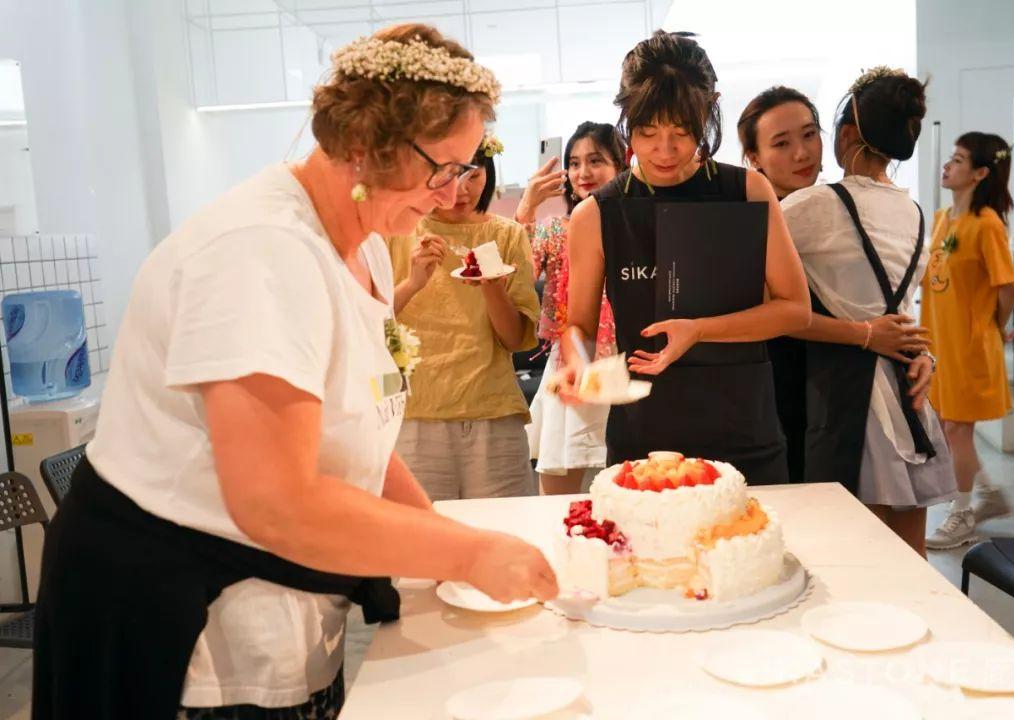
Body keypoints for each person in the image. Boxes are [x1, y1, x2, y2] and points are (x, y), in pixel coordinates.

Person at [32, 24, 557, 720]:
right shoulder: (261, 253)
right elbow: (274, 502)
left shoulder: (367, 244)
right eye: (442, 170)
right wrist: (466, 553)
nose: (449, 193)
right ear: (367, 146)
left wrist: (435, 541)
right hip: (178, 621)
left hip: (278, 596)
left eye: (464, 170)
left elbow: (358, 432)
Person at [559, 30, 811, 485]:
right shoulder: (596, 214)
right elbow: (578, 325)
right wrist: (577, 360)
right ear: (626, 121)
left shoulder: (747, 191)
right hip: (644, 435)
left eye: (682, 132)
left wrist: (700, 330)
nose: (665, 150)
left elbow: (796, 310)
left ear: (709, 112)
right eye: (647, 132)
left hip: (743, 429)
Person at [781, 66, 956, 557]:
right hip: (910, 390)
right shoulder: (914, 212)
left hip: (852, 400)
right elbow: (902, 313)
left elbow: (750, 265)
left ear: (846, 136)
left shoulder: (818, 204)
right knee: (911, 556)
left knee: (857, 557)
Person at [390, 134, 541, 501]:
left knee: (505, 530)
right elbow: (366, 321)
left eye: (473, 175)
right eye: (449, 176)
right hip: (415, 416)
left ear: (488, 172)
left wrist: (492, 287)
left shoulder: (507, 235)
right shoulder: (398, 233)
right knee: (422, 533)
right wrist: (412, 283)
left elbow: (515, 340)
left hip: (494, 415)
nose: (461, 190)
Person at [923, 132, 1014, 550]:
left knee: (957, 429)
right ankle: (988, 494)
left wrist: (994, 326)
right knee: (948, 428)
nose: (948, 166)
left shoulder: (987, 224)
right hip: (942, 343)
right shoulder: (944, 218)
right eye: (951, 158)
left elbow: (1007, 286)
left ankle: (961, 514)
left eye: (959, 160)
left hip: (971, 345)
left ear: (980, 173)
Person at [519, 122, 626, 495]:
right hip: (571, 360)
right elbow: (519, 278)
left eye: (595, 161)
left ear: (621, 164)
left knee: (625, 484)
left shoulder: (633, 226)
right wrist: (528, 207)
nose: (583, 173)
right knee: (557, 489)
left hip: (625, 359)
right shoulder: (554, 229)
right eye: (575, 163)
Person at [736, 86, 823, 483]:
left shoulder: (834, 207)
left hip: (840, 382)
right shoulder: (748, 218)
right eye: (782, 143)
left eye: (809, 134)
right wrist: (868, 334)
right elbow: (784, 315)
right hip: (778, 382)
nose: (802, 153)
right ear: (754, 157)